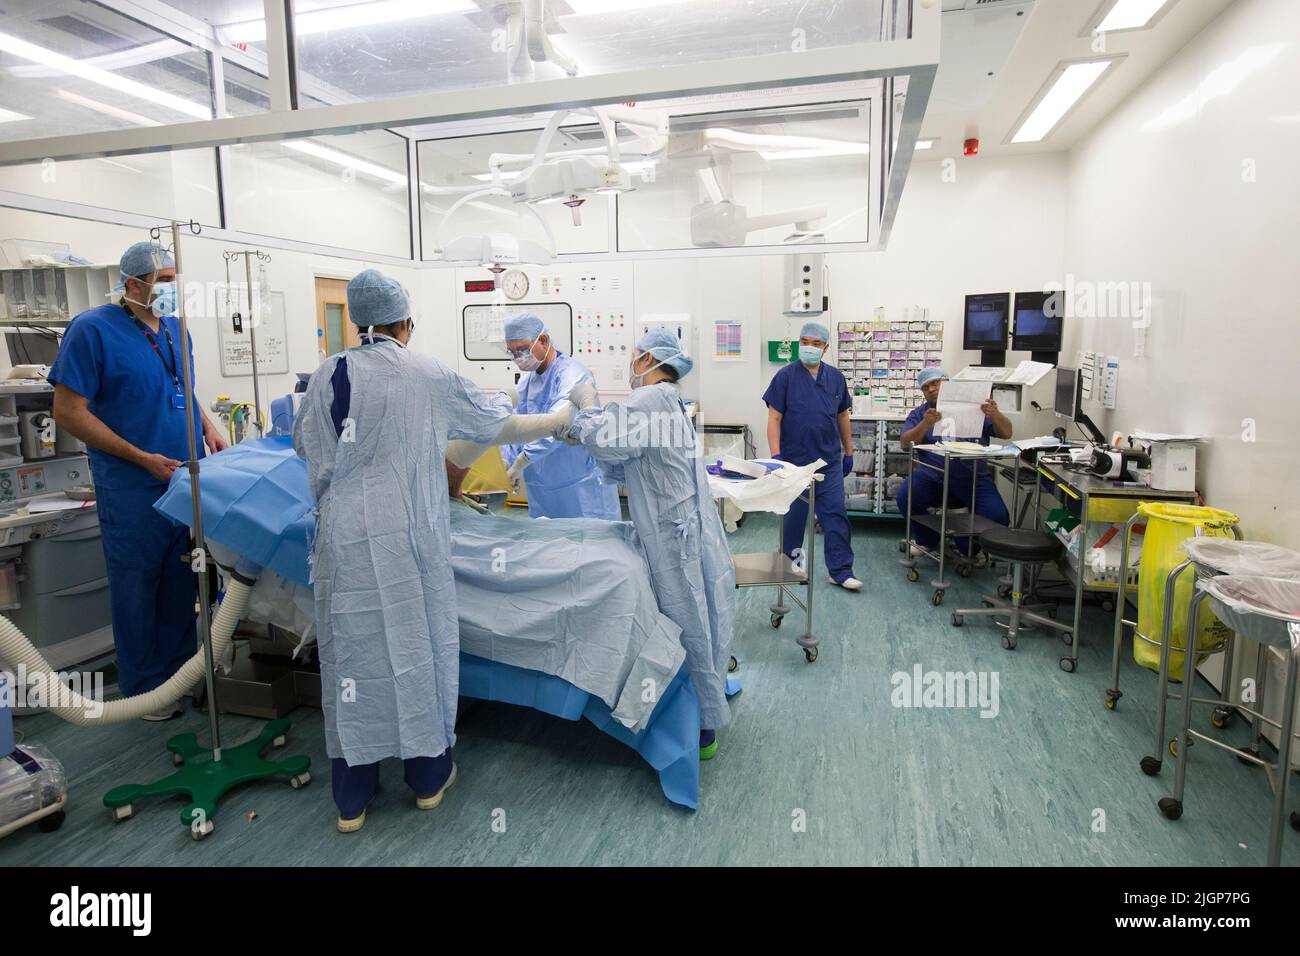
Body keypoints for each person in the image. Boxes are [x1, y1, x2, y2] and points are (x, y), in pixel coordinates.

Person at [293, 269, 570, 833]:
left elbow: (305, 446)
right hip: (408, 534)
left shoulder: (325, 375)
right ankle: (427, 779)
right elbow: (500, 423)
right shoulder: (425, 372)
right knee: (416, 648)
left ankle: (352, 798)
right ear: (405, 322)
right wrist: (562, 417)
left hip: (343, 536)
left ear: (357, 320)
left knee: (351, 659)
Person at [49, 240, 229, 720]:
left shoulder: (175, 330)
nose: (173, 288)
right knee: (138, 584)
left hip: (183, 479)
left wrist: (209, 428)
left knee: (180, 580)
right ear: (133, 284)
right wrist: (139, 456)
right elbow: (67, 412)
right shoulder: (92, 330)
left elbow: (183, 391)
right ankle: (144, 687)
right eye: (164, 280)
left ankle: (175, 677)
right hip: (132, 484)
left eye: (175, 279)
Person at [565, 329, 735, 760]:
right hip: (687, 525)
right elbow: (635, 462)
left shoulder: (650, 400)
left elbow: (607, 440)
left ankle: (699, 726)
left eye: (634, 356)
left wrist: (584, 413)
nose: (631, 364)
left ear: (648, 359)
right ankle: (708, 701)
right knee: (703, 612)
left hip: (670, 532)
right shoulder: (672, 400)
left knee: (683, 621)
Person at [762, 321, 862, 591]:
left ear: (825, 348)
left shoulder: (836, 378)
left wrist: (849, 451)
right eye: (805, 342)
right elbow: (774, 417)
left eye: (816, 344)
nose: (809, 348)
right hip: (793, 462)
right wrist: (776, 456)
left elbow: (842, 415)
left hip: (828, 462)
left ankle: (840, 571)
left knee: (835, 516)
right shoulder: (785, 376)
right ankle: (789, 567)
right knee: (794, 518)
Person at [501, 313, 620, 519]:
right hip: (542, 486)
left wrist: (522, 460)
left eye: (522, 349)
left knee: (590, 545)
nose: (518, 358)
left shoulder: (573, 375)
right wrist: (508, 462)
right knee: (549, 545)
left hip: (579, 485)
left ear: (544, 340)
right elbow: (516, 426)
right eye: (512, 352)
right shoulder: (527, 382)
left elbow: (558, 424)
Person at [897, 367, 1013, 558]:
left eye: (935, 383)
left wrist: (995, 413)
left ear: (948, 383)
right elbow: (904, 443)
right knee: (905, 498)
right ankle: (927, 540)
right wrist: (925, 424)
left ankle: (968, 547)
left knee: (998, 516)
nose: (931, 389)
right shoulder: (921, 414)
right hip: (932, 474)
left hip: (973, 476)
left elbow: (1006, 433)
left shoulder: (976, 408)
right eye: (926, 387)